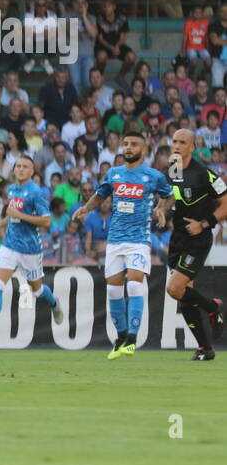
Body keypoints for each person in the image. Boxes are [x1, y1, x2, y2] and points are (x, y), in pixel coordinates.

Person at [70, 123, 173, 359]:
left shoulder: (153, 175)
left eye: (134, 144)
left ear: (144, 149)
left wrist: (161, 209)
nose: (128, 147)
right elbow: (101, 194)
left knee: (135, 285)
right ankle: (120, 337)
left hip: (138, 239)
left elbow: (169, 197)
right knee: (114, 290)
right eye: (126, 144)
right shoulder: (114, 173)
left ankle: (132, 340)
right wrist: (86, 208)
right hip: (114, 240)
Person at [0, 156, 64, 344]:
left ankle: (54, 302)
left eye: (25, 167)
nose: (21, 169)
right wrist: (0, 223)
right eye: (18, 166)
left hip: (30, 249)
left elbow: (46, 221)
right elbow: (12, 215)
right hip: (9, 245)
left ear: (32, 171)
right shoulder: (12, 190)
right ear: (14, 170)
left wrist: (19, 215)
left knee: (37, 290)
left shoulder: (36, 192)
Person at [164, 129, 227, 360]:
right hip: (177, 239)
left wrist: (204, 224)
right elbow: (168, 198)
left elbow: (225, 203)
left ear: (192, 147)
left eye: (182, 142)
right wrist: (161, 211)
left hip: (197, 239)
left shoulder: (205, 175)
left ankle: (213, 307)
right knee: (183, 294)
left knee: (174, 289)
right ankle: (205, 349)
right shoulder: (173, 168)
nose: (177, 146)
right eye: (174, 141)